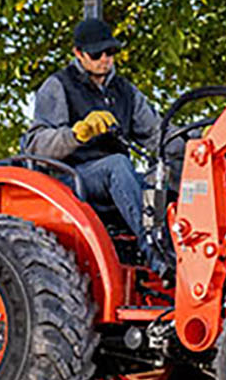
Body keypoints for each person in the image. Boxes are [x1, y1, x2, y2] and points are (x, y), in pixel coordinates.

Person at [26, 16, 166, 265]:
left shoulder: (124, 91)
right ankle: (157, 254)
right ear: (78, 53)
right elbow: (36, 144)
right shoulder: (58, 86)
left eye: (110, 52)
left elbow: (157, 134)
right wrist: (77, 134)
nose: (105, 59)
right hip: (73, 177)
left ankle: (168, 248)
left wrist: (199, 139)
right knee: (118, 164)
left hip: (115, 178)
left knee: (160, 178)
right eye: (97, 53)